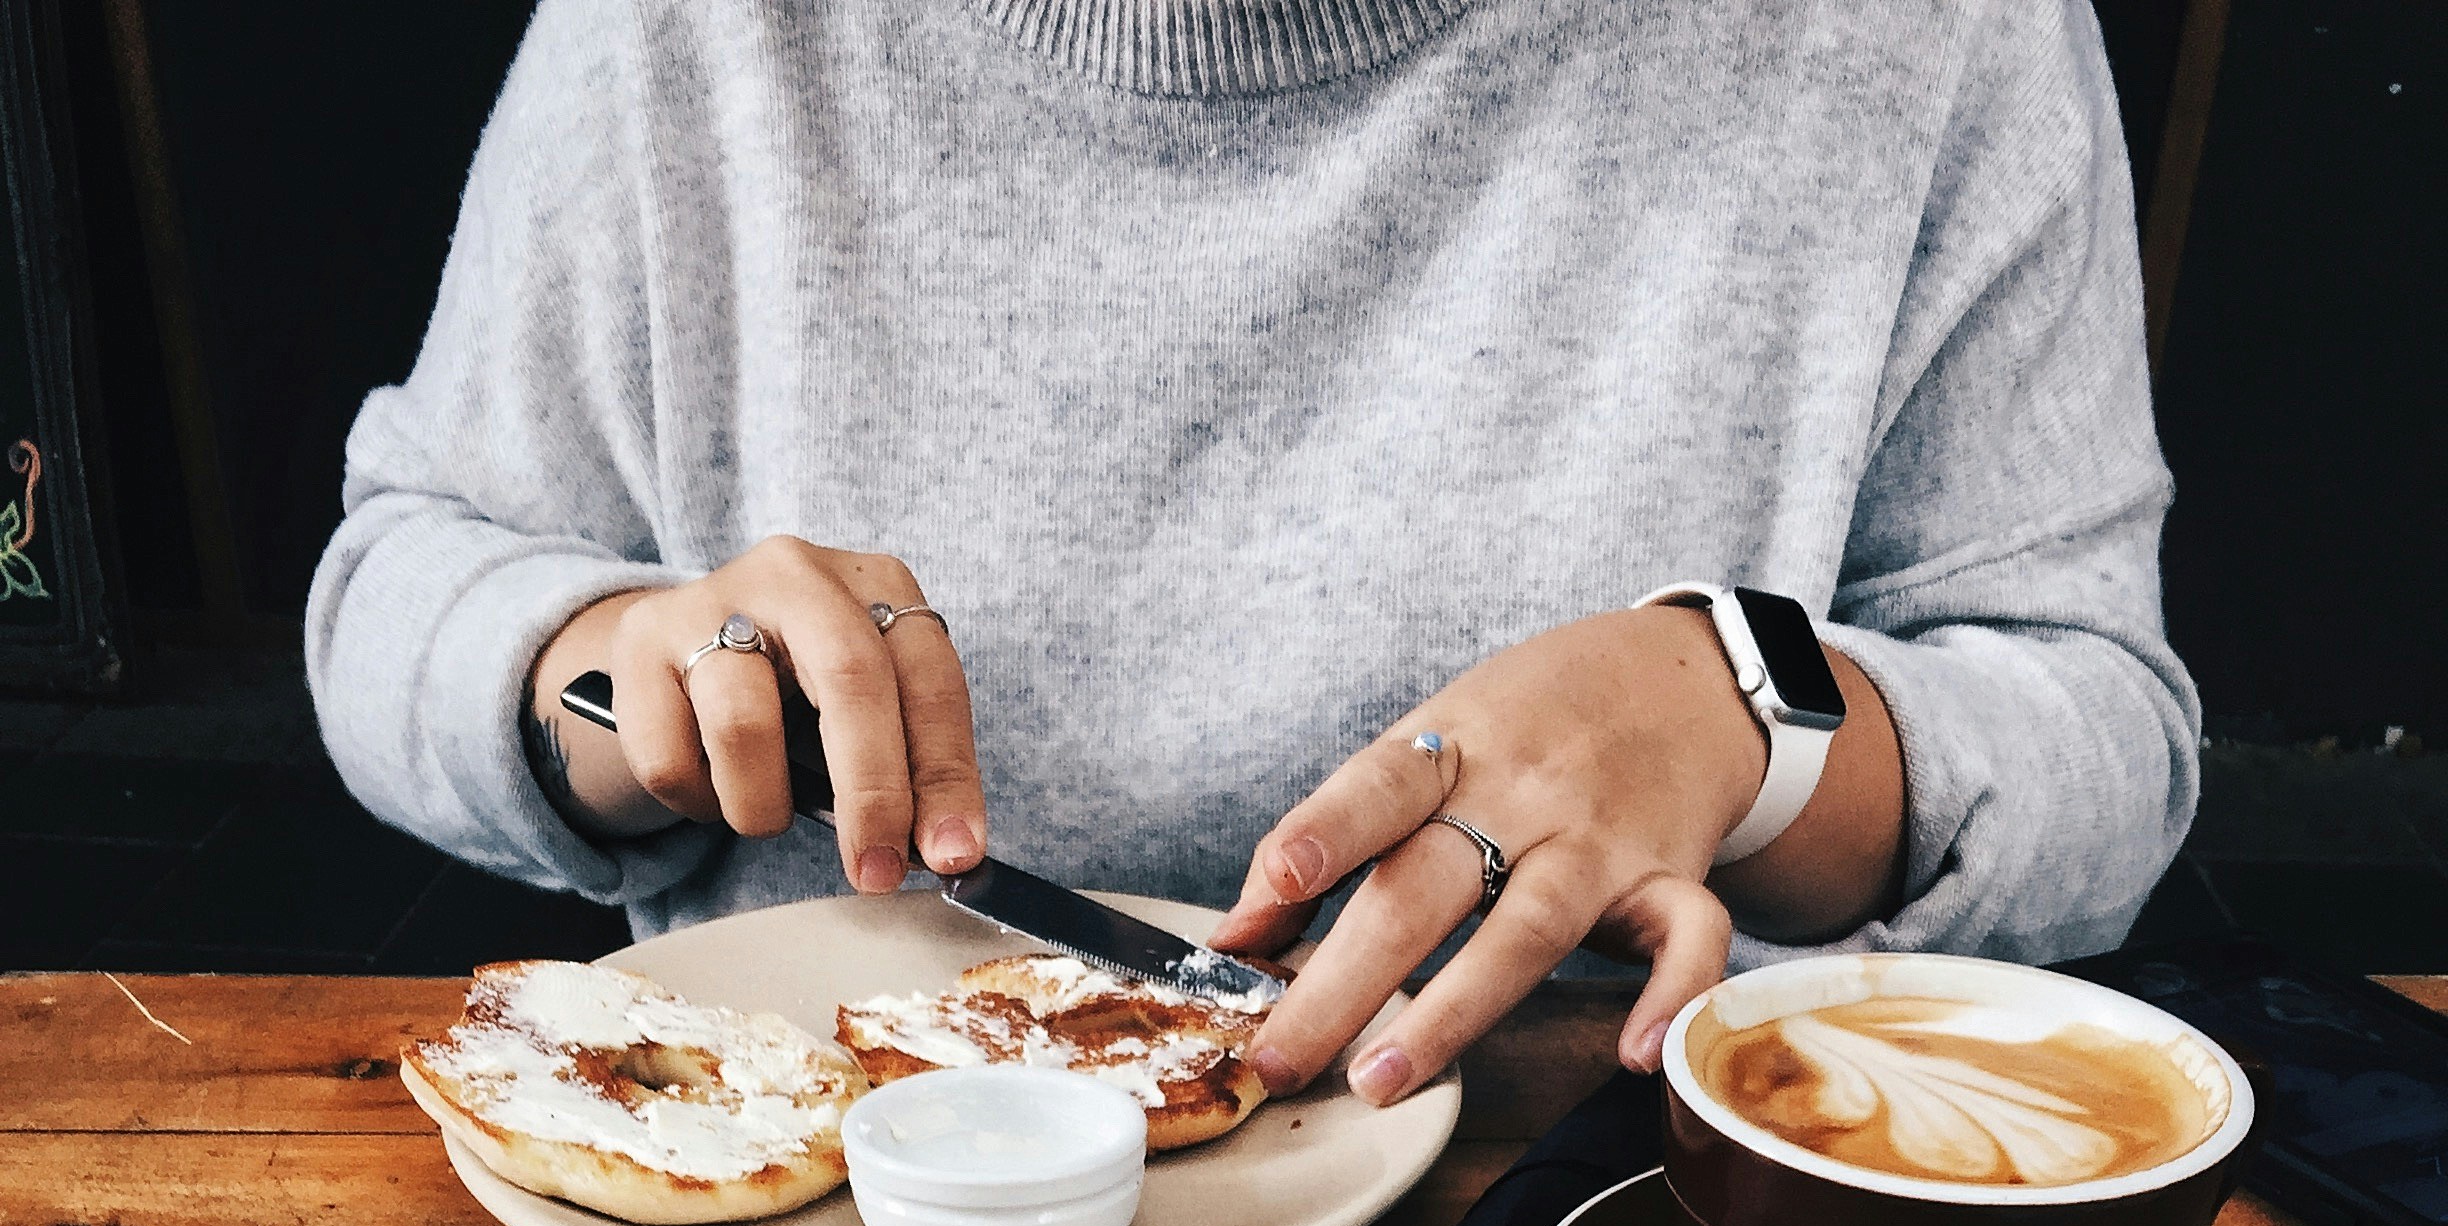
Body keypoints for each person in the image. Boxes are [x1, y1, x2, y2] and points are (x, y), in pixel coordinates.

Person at [309, 0, 2197, 1105]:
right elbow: (403, 578)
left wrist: (1752, 718)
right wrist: (616, 670)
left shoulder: (1929, 40)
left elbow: (2100, 735)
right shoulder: (681, 39)